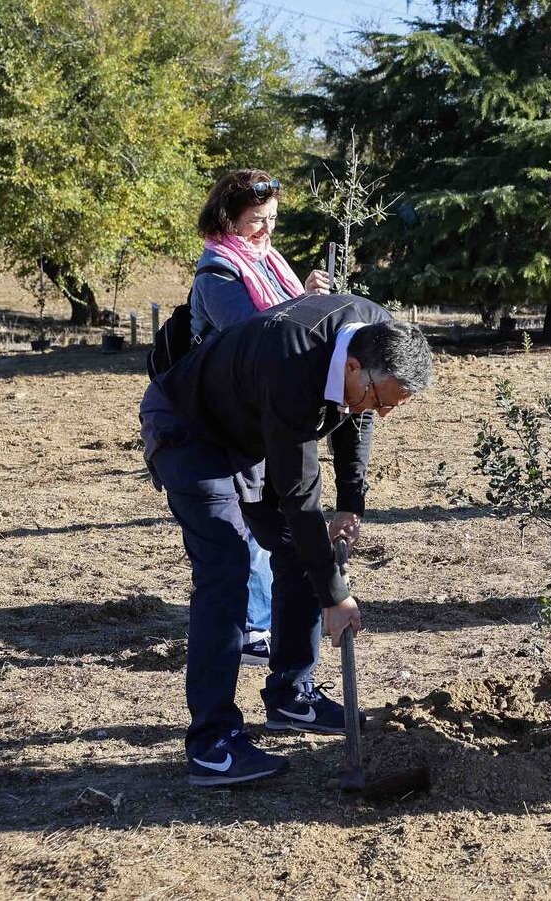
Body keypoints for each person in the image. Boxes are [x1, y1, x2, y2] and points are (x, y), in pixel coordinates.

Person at [140, 293, 432, 787]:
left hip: (253, 423)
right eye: (383, 400)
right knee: (227, 569)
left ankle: (292, 695)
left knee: (302, 547)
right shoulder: (292, 361)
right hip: (191, 427)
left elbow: (355, 417)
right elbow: (299, 494)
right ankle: (212, 744)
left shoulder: (378, 333)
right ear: (356, 367)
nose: (382, 414)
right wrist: (335, 596)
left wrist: (350, 502)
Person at [190, 169, 334, 666]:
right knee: (247, 521)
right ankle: (253, 627)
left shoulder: (266, 260)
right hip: (225, 416)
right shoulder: (219, 272)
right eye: (256, 220)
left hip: (264, 410)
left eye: (272, 219)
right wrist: (304, 303)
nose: (266, 230)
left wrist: (311, 301)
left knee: (272, 518)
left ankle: (266, 620)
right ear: (228, 218)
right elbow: (250, 339)